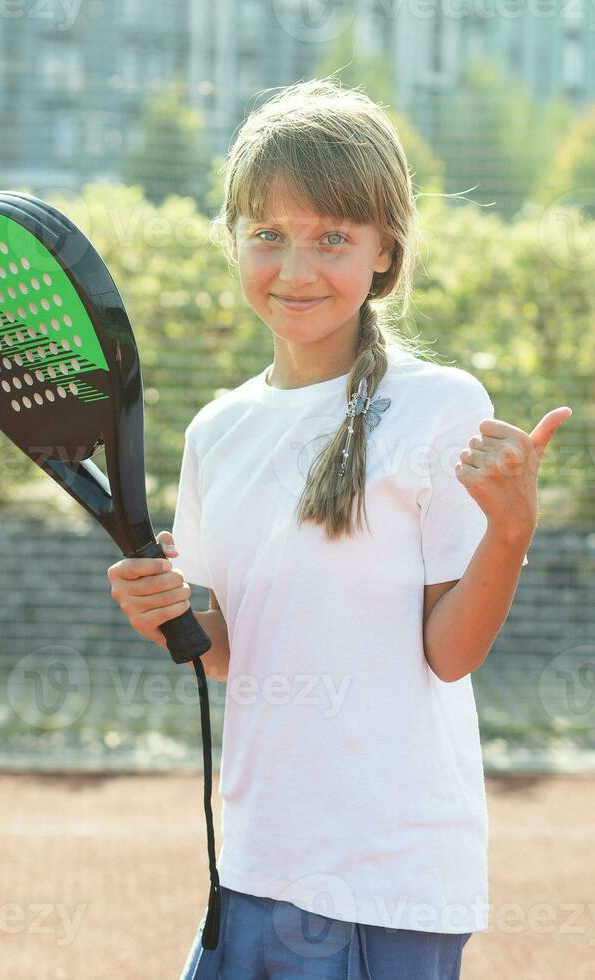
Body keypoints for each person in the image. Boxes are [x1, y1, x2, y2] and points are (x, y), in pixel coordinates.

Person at [107, 78, 571, 979]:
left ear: (384, 253)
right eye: (268, 235)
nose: (296, 268)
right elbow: (235, 646)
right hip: (250, 866)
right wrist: (165, 615)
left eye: (333, 238)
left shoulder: (441, 405)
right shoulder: (218, 430)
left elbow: (449, 653)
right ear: (234, 241)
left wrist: (510, 533)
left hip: (387, 884)